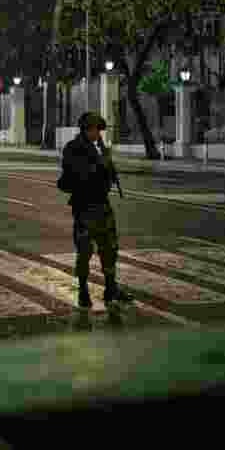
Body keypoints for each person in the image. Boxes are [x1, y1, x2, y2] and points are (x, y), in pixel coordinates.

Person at [61, 111, 133, 309]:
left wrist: (108, 166)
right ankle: (83, 290)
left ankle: (111, 288)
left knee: (109, 248)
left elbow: (106, 174)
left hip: (102, 205)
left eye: (99, 130)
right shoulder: (73, 148)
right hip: (84, 206)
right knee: (84, 251)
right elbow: (75, 174)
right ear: (86, 129)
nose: (98, 134)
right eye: (95, 130)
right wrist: (98, 164)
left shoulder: (98, 148)